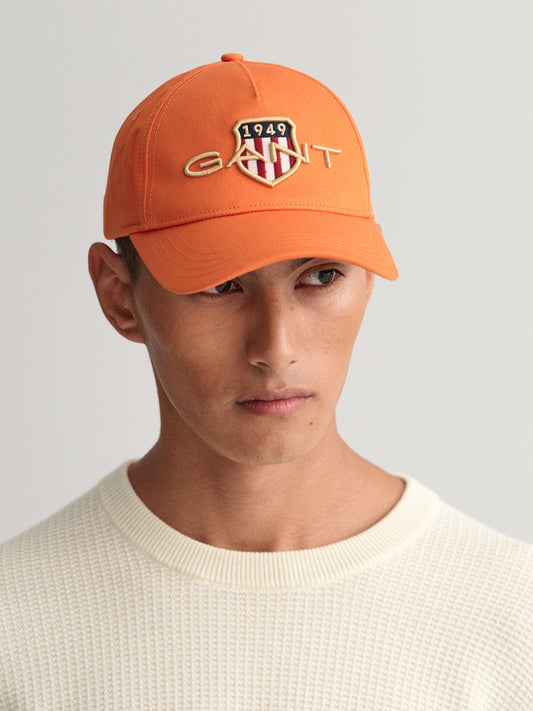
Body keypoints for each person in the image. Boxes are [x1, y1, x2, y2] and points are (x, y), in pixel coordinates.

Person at [1, 53, 531, 710]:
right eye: (220, 285)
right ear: (119, 296)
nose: (275, 349)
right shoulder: (16, 624)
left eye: (321, 277)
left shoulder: (513, 617)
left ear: (367, 280)